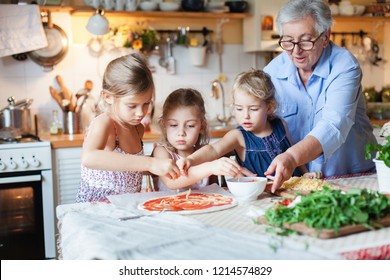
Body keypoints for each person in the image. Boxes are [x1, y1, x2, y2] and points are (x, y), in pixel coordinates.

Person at [263, 0, 377, 192]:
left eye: (305, 41)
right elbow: (256, 120)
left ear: (325, 37)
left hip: (352, 179)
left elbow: (334, 124)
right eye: (288, 41)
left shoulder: (344, 66)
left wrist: (291, 157)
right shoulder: (272, 72)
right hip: (301, 182)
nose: (296, 51)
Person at [76, 53, 180, 202]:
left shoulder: (138, 128)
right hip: (96, 208)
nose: (140, 113)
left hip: (125, 205)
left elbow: (126, 166)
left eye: (146, 104)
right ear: (108, 97)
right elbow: (89, 157)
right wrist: (150, 163)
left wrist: (157, 166)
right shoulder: (105, 123)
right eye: (132, 105)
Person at [176, 69, 309, 179]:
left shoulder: (280, 124)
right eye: (239, 108)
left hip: (294, 189)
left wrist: (305, 173)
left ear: (269, 107)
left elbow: (293, 152)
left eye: (253, 109)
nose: (245, 115)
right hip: (262, 197)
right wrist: (191, 160)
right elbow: (213, 150)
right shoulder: (238, 136)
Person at [152, 88, 243, 192]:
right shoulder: (161, 152)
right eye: (173, 125)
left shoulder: (206, 155)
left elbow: (214, 190)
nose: (181, 132)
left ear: (202, 126)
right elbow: (171, 182)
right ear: (164, 125)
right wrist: (210, 167)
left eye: (190, 125)